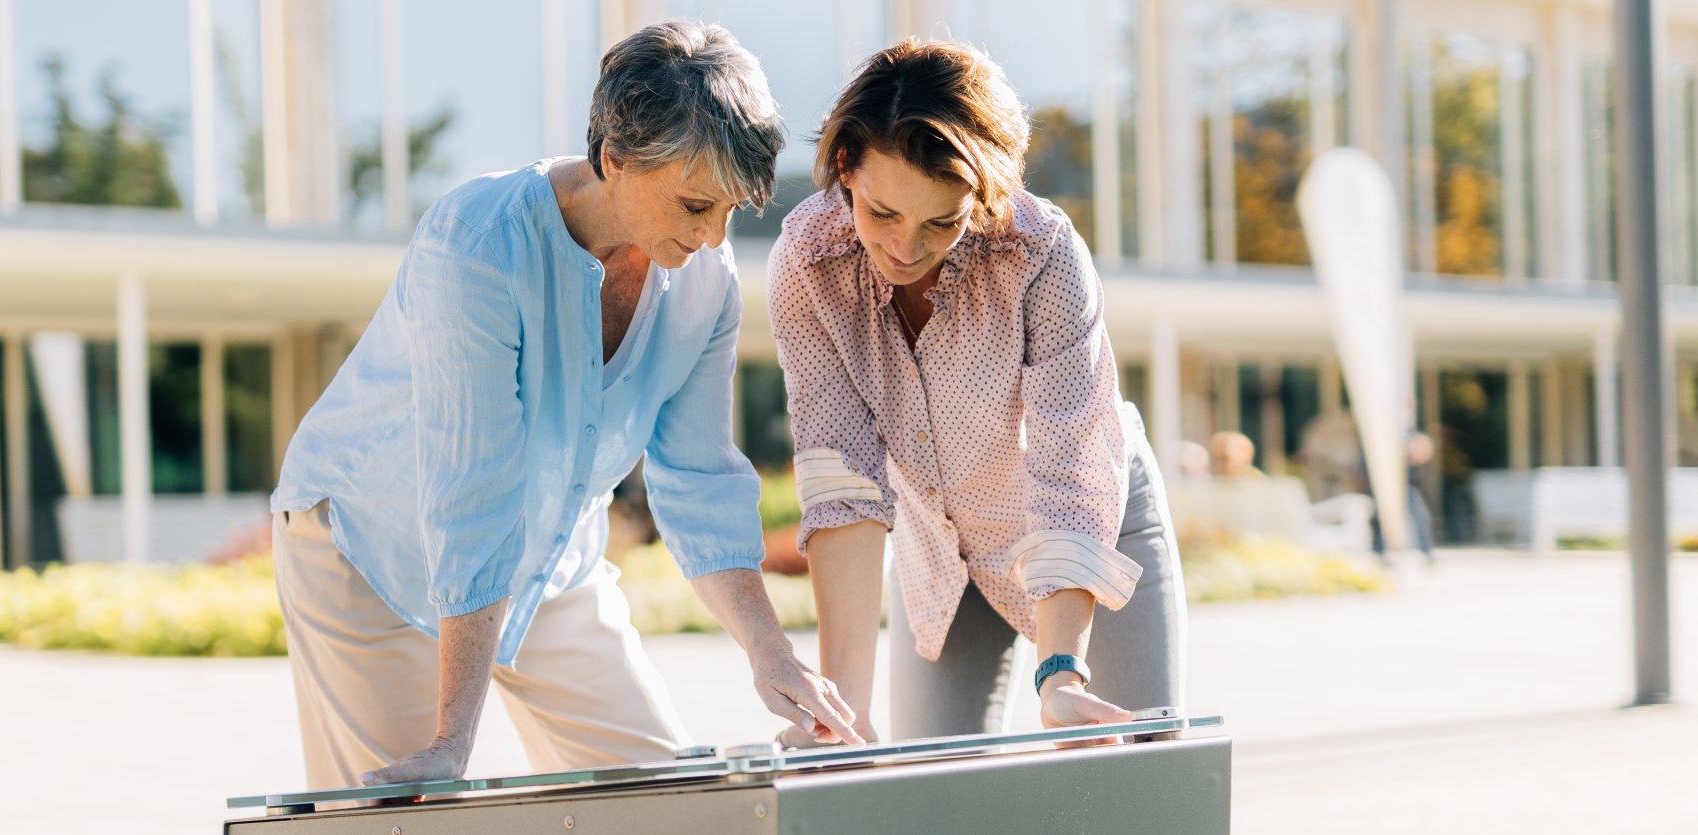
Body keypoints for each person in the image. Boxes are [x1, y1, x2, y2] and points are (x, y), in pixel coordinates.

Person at [267, 20, 858, 790]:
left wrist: (770, 654)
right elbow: (471, 495)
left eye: (732, 210)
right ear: (614, 157)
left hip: (553, 561)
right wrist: (452, 738)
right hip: (373, 550)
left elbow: (701, 481)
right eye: (693, 204)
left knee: (660, 802)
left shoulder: (705, 285)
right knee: (405, 808)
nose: (715, 237)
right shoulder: (477, 245)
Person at [767, 39, 1186, 745]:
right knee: (935, 795)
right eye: (881, 213)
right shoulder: (808, 265)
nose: (904, 247)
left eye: (941, 221)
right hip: (941, 552)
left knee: (1139, 787)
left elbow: (1070, 468)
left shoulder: (1043, 251)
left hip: (1091, 522)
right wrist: (843, 713)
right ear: (845, 168)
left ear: (984, 197)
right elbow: (842, 483)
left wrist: (1060, 673)